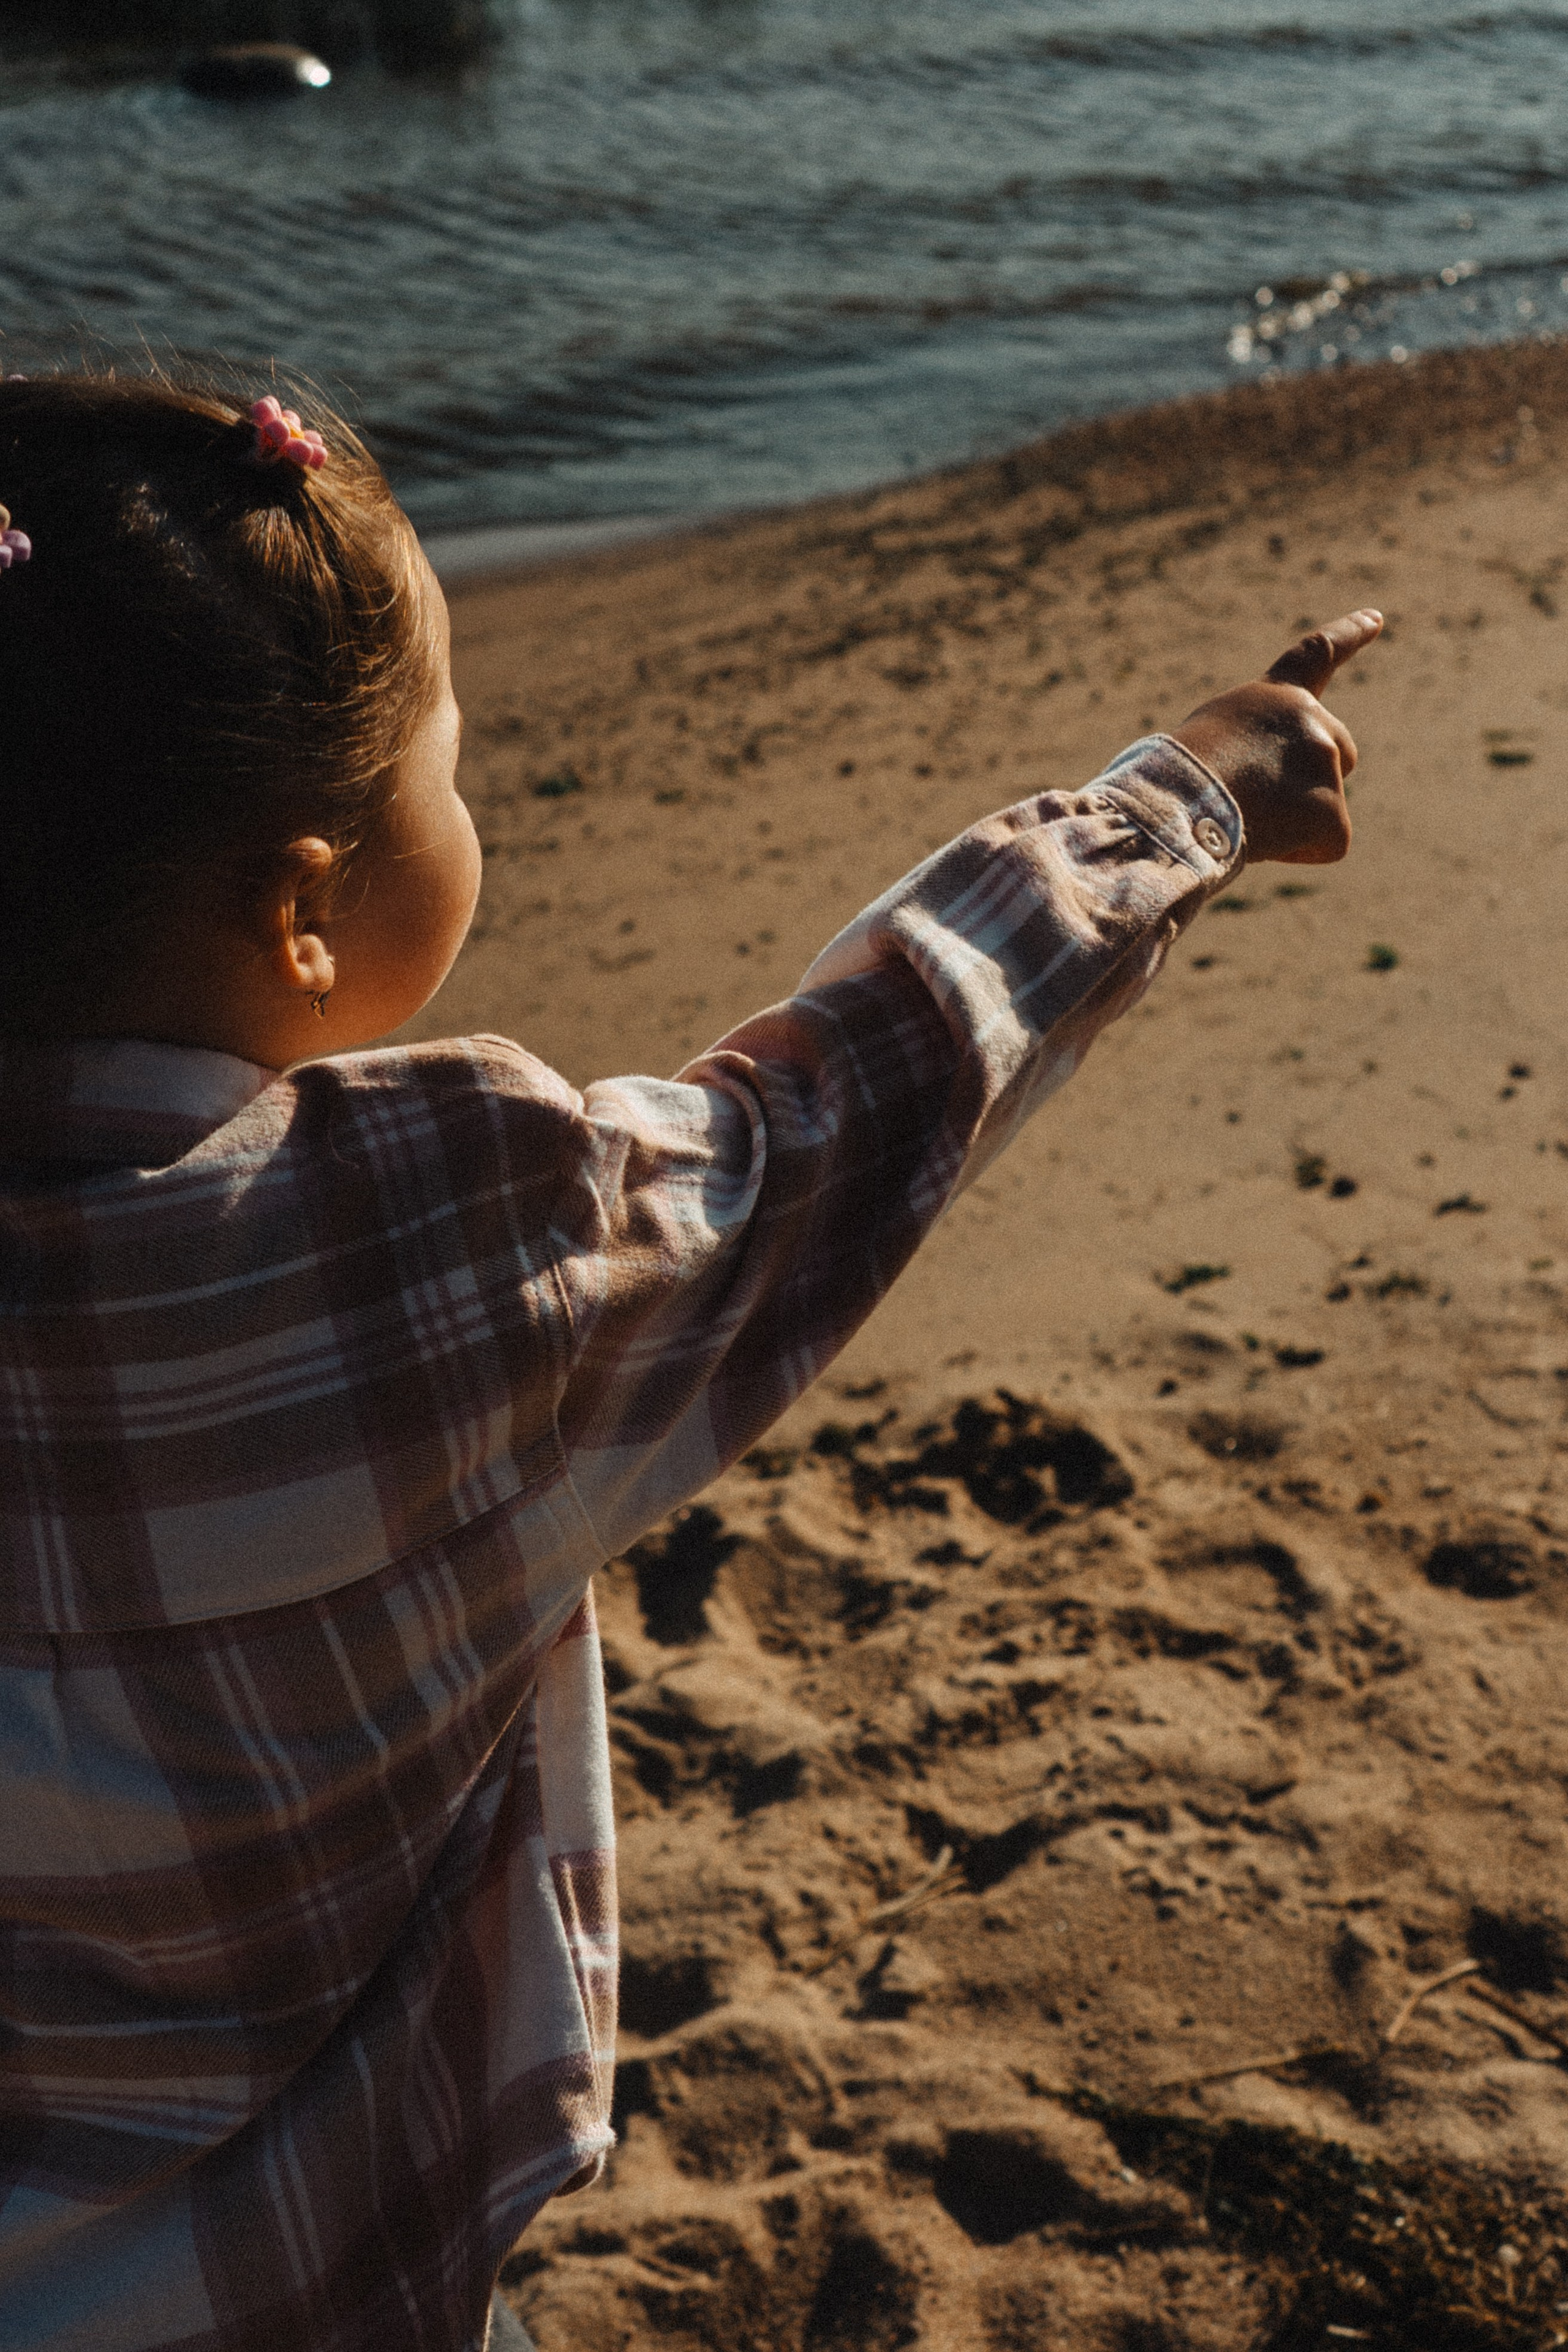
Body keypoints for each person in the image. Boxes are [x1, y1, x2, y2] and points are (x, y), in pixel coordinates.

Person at [0, 370, 1378, 2352]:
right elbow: (846, 1108)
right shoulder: (447, 1256)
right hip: (322, 2276)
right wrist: (1180, 799)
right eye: (445, 768)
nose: (462, 802)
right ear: (306, 908)